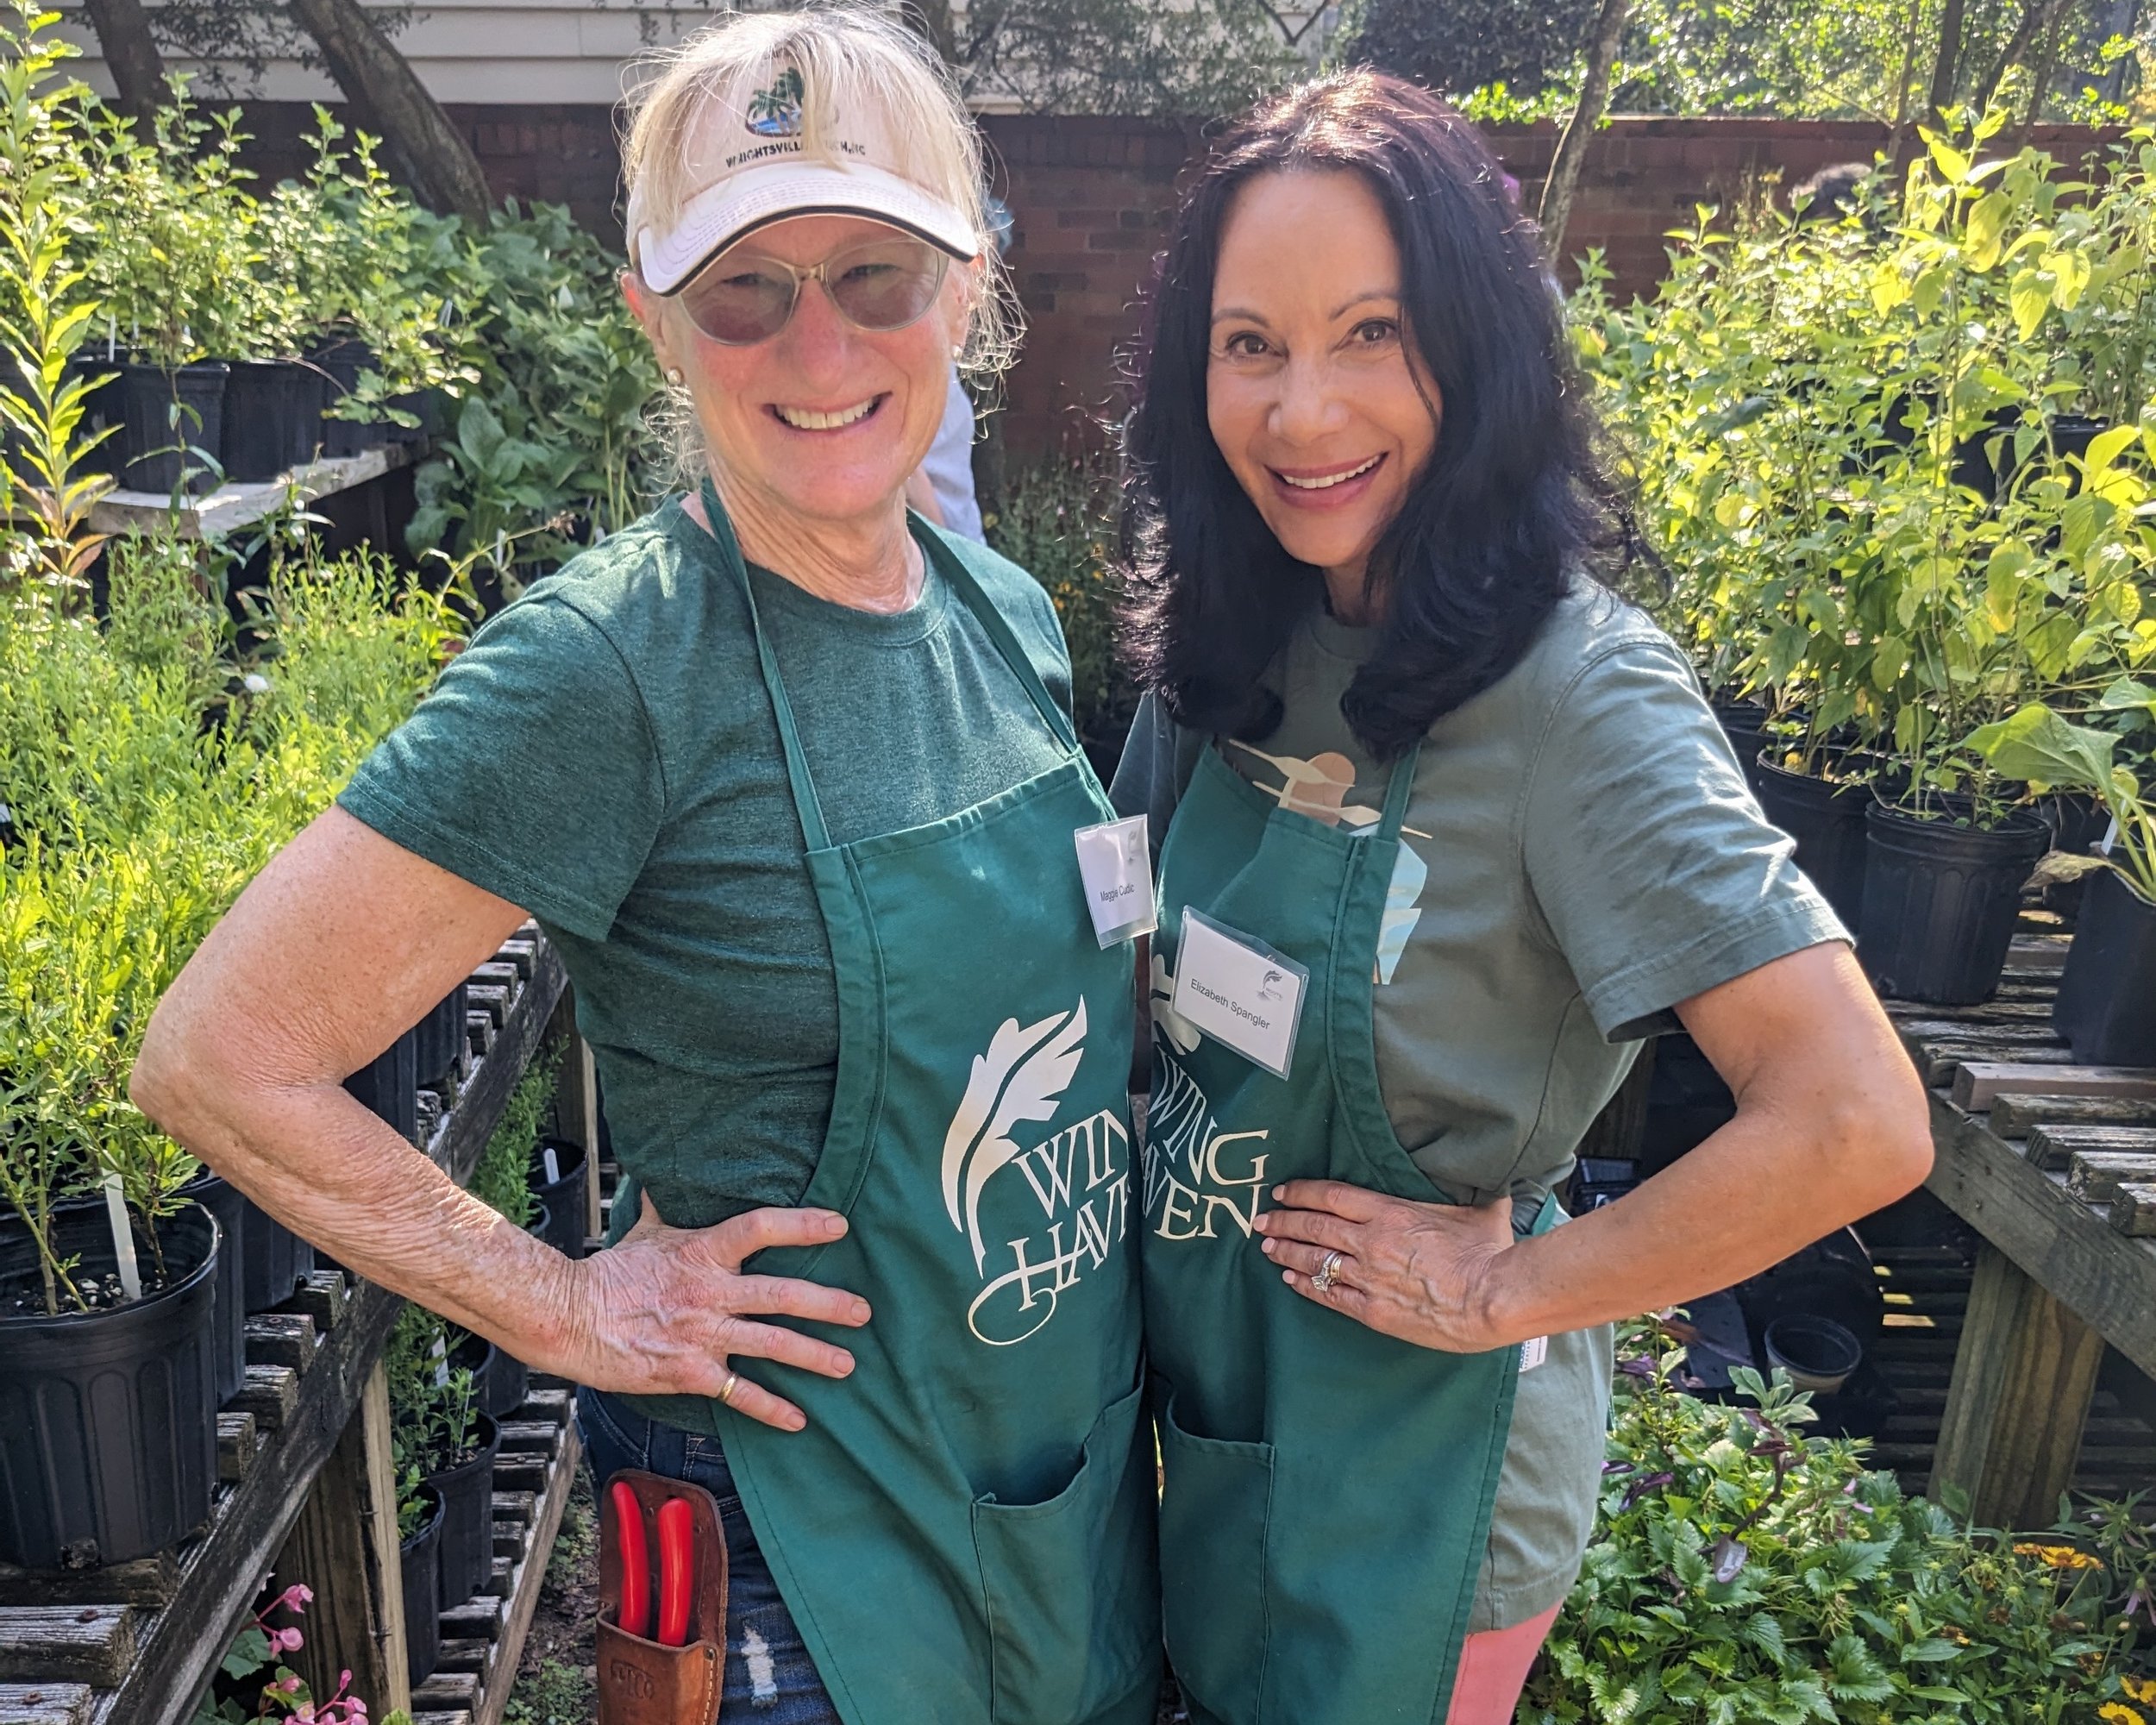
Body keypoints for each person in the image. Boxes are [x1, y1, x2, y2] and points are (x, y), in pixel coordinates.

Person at [131, 13, 1158, 1724]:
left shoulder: (1003, 617)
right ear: (655, 325)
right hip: (795, 1546)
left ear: (966, 290)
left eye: (874, 272)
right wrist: (557, 1304)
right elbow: (220, 1056)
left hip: (1041, 1485)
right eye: (741, 286)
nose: (813, 339)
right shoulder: (608, 669)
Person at [1110, 72, 1933, 1725]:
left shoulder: (1582, 696)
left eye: (1370, 334)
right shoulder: (1230, 644)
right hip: (1212, 1411)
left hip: (1418, 1482)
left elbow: (1855, 1119)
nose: (1303, 412)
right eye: (1250, 343)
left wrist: (1511, 1289)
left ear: (1477, 351)